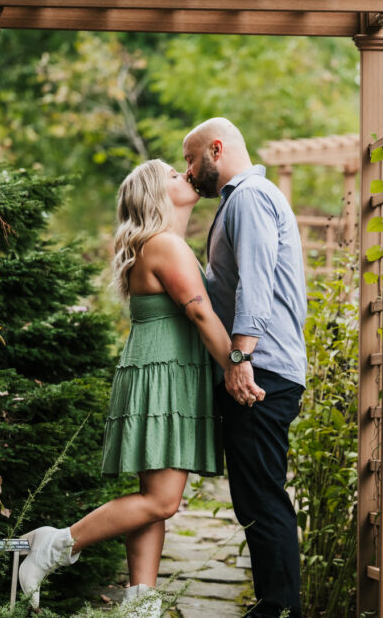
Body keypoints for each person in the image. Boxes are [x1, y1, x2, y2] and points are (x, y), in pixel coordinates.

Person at [16, 159, 263, 613]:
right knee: (163, 502)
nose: (184, 175)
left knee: (154, 499)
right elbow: (201, 313)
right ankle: (56, 544)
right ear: (155, 195)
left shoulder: (158, 244)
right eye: (172, 174)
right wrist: (236, 363)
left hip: (160, 371)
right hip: (164, 375)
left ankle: (139, 606)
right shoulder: (165, 245)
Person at [183, 118, 308, 618]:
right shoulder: (243, 200)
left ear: (216, 148)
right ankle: (275, 605)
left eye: (192, 161)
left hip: (261, 372)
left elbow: (256, 284)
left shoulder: (251, 196)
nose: (190, 173)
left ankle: (277, 611)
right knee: (257, 499)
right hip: (265, 368)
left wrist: (239, 359)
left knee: (262, 501)